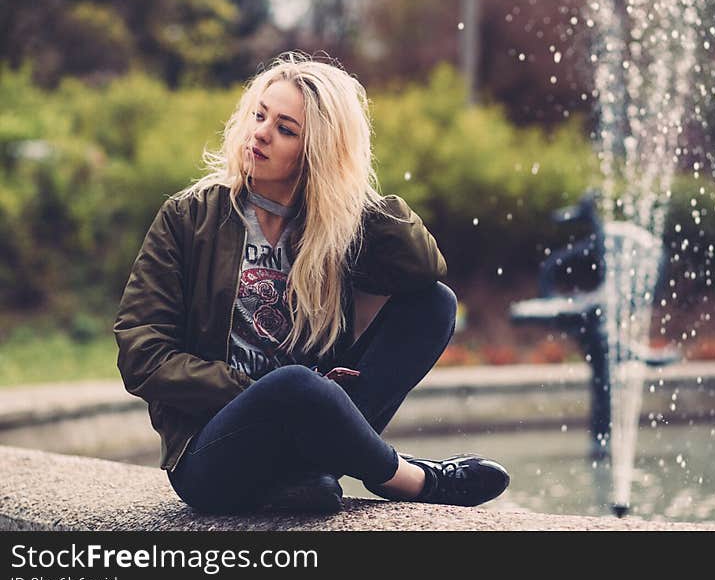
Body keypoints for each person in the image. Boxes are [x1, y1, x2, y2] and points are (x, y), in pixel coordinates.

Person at [114, 52, 510, 515]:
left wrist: (346, 188)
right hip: (212, 449)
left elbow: (423, 268)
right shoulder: (190, 218)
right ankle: (411, 478)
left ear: (316, 152)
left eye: (285, 129)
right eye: (259, 115)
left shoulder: (333, 230)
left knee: (435, 304)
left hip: (312, 431)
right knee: (296, 385)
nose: (260, 132)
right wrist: (256, 389)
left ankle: (309, 476)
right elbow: (141, 353)